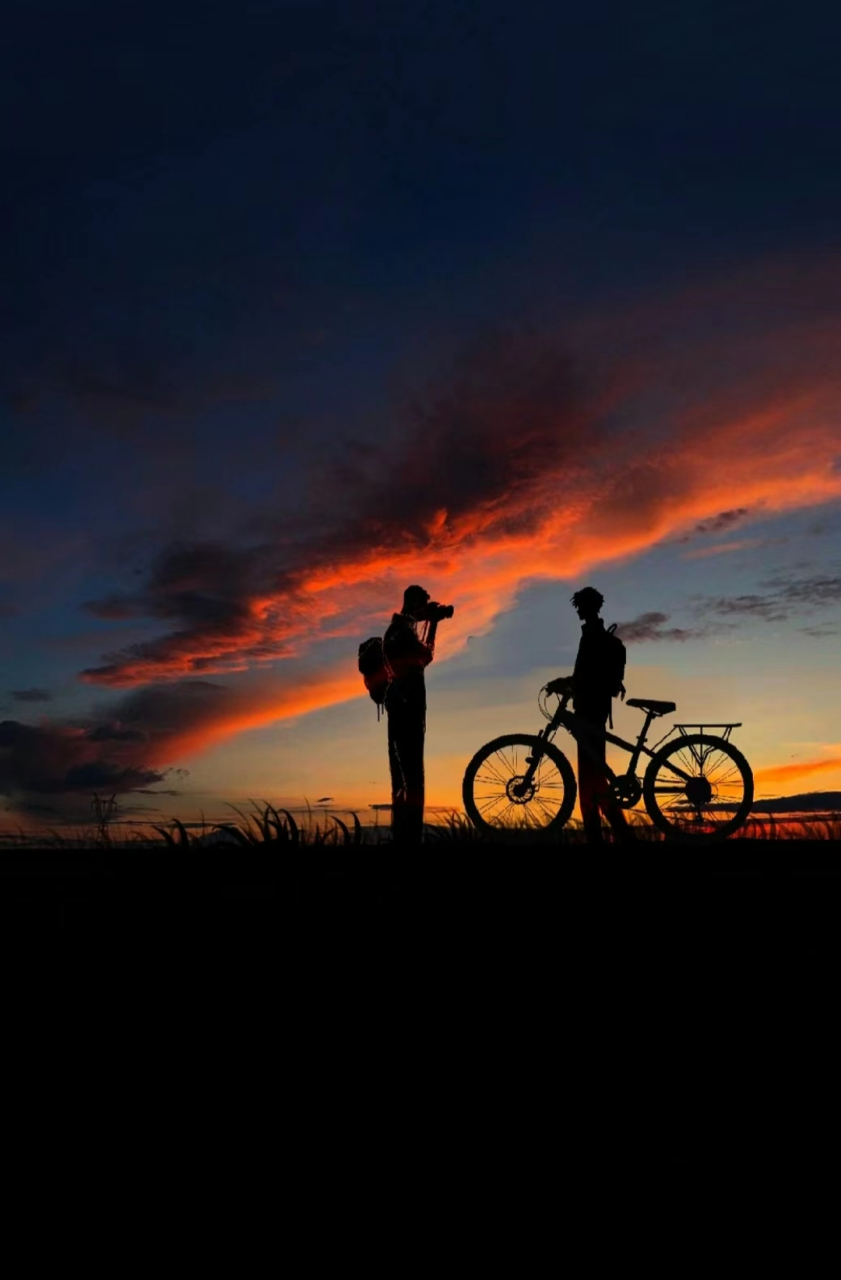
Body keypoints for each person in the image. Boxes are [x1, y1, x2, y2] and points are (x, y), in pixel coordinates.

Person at [548, 586, 634, 845]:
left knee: (589, 776)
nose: (578, 610)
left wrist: (566, 683)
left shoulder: (593, 636)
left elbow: (587, 675)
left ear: (589, 606)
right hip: (593, 708)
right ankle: (617, 834)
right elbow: (585, 675)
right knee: (592, 774)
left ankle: (601, 836)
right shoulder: (594, 634)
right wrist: (568, 682)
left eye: (580, 605)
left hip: (590, 709)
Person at [383, 585, 435, 845]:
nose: (427, 612)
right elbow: (425, 657)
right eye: (425, 606)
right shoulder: (402, 631)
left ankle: (405, 835)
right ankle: (409, 838)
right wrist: (434, 625)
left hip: (400, 705)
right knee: (411, 773)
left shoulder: (398, 630)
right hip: (408, 708)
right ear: (415, 604)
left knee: (402, 772)